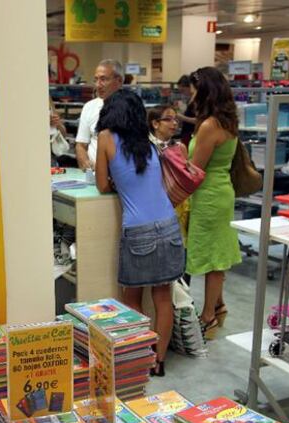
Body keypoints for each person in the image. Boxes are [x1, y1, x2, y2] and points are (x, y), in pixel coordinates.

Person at [96, 89, 185, 377]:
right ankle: (158, 361)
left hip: (138, 230)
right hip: (169, 225)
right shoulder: (148, 143)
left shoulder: (106, 138)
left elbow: (101, 185)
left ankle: (139, 358)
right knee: (163, 298)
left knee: (132, 299)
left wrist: (115, 179)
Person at [187, 66, 242, 339]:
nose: (191, 96)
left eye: (194, 90)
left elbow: (194, 170)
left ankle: (207, 317)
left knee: (210, 259)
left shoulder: (209, 126)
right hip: (221, 192)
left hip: (208, 196)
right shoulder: (228, 121)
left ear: (205, 91)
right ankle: (218, 307)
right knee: (218, 255)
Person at [147, 105, 190, 247]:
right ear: (155, 123)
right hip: (152, 205)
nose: (175, 123)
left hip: (177, 205)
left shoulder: (180, 148)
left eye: (176, 119)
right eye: (168, 119)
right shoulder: (144, 148)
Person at [75, 59, 123, 170]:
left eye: (103, 79)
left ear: (119, 81)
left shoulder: (132, 107)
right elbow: (81, 145)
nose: (98, 85)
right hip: (95, 175)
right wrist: (86, 164)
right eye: (96, 80)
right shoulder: (89, 107)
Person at [176, 75, 197, 148]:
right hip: (187, 133)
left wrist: (182, 117)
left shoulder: (196, 100)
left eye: (183, 90)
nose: (182, 93)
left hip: (191, 134)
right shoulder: (191, 99)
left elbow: (199, 120)